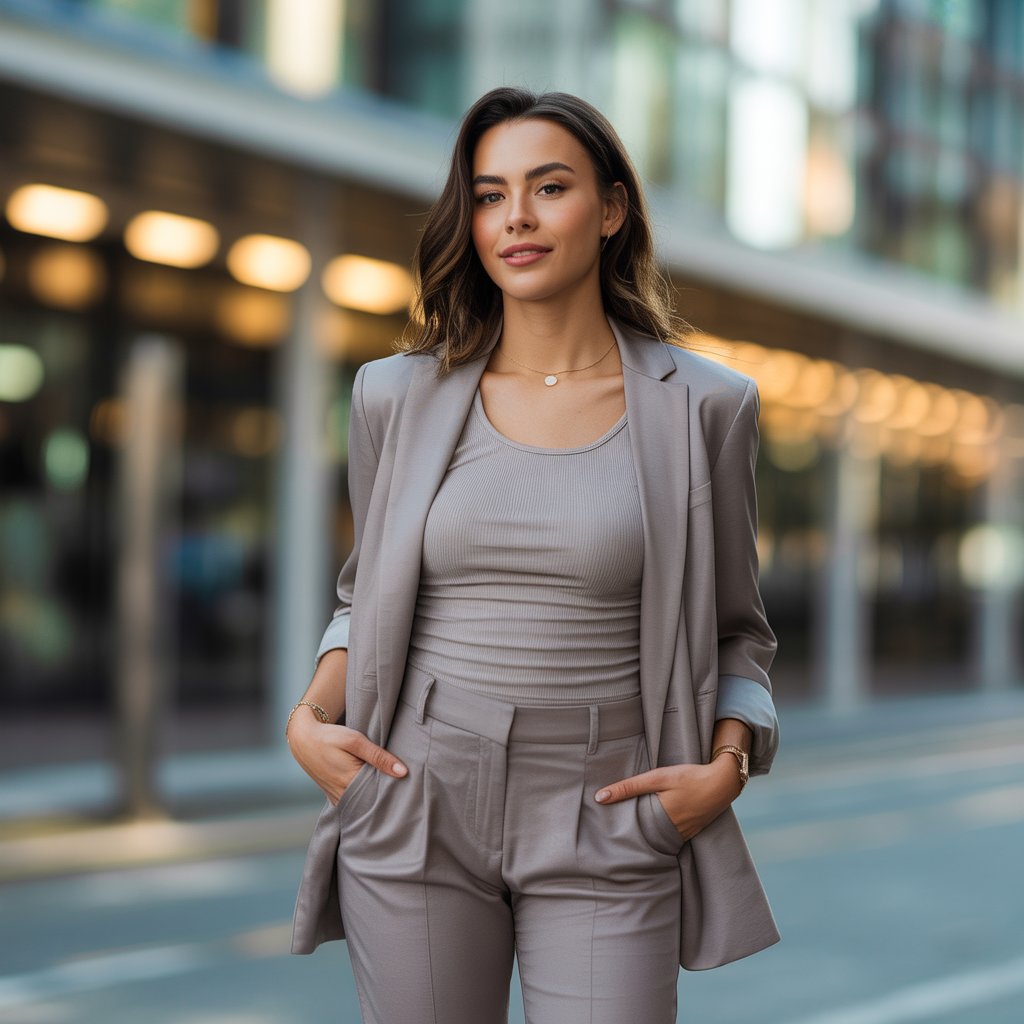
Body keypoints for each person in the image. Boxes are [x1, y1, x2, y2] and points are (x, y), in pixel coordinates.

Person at [286, 87, 780, 1024]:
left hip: (611, 799)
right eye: (487, 194)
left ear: (611, 209)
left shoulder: (706, 406)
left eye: (549, 188)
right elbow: (364, 598)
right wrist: (310, 719)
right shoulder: (394, 396)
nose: (515, 217)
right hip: (416, 788)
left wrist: (728, 764)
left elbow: (738, 631)